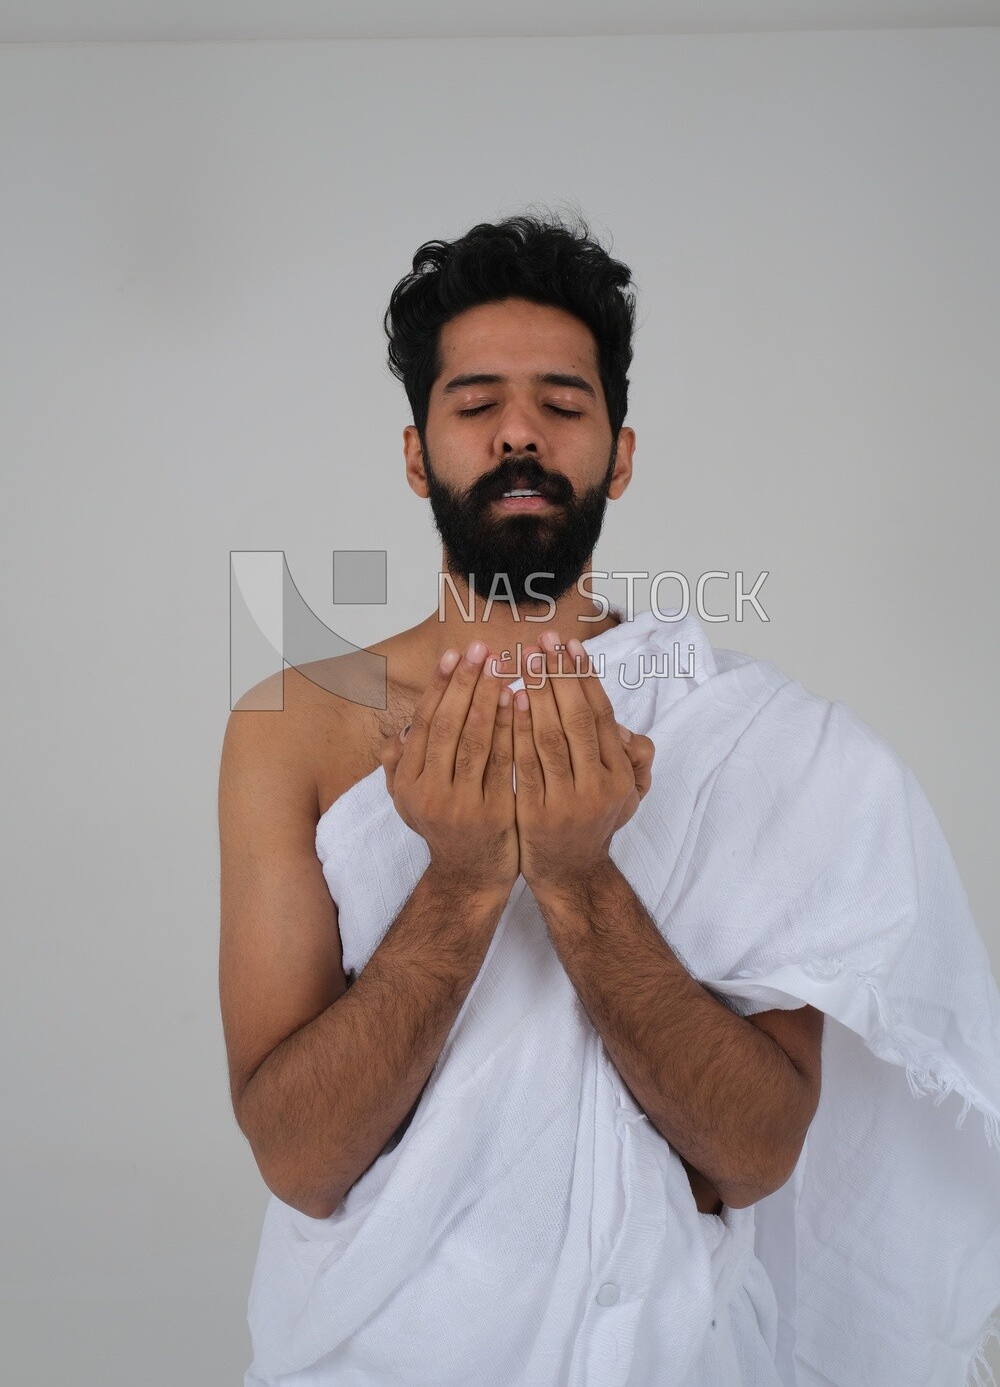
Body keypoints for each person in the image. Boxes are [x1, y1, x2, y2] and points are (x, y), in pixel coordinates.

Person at [218, 212, 1000, 1386]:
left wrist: (580, 880)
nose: (519, 432)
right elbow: (301, 1159)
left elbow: (748, 1155)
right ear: (418, 453)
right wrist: (467, 879)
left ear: (618, 455)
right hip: (369, 1351)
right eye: (475, 404)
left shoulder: (758, 742)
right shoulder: (299, 725)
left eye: (563, 405)